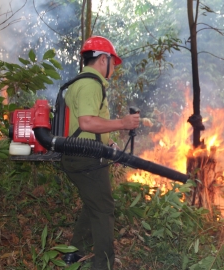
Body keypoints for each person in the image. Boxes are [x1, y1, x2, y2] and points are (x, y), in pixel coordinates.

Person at [61, 36, 140, 269]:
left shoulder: (81, 82)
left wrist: (109, 144)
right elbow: (86, 122)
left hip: (83, 152)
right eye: (113, 62)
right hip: (85, 157)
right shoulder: (90, 84)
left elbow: (86, 125)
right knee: (104, 208)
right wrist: (123, 123)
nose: (114, 68)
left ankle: (74, 252)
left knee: (93, 202)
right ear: (102, 59)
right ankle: (103, 264)